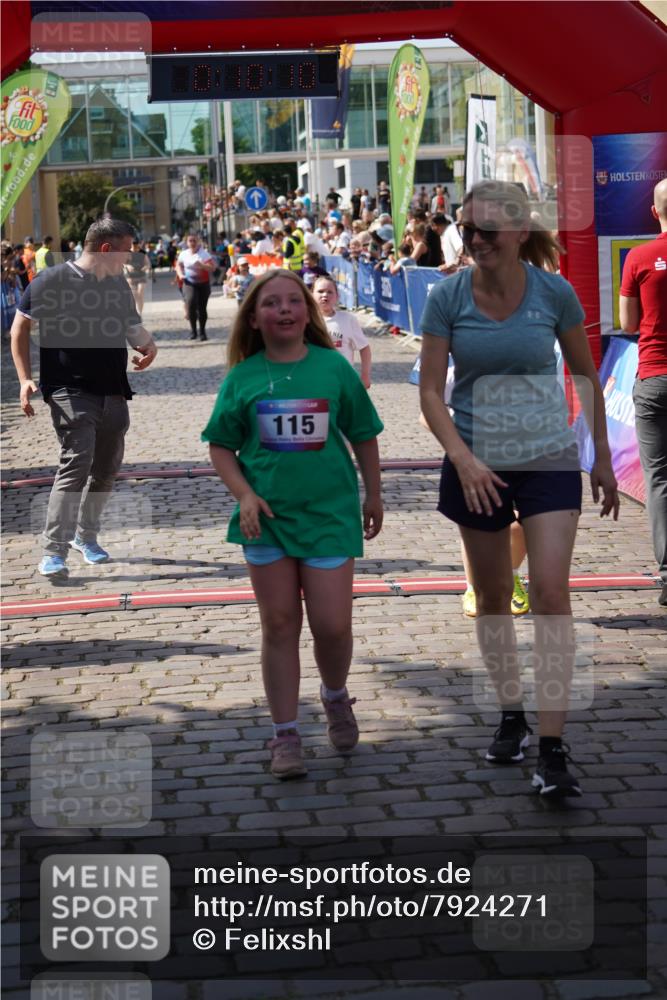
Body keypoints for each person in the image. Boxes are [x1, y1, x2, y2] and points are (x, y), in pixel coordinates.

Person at [419, 180, 619, 799]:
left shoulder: (553, 292)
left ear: (520, 231)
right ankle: (511, 712)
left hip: (548, 458)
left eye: (488, 229)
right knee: (493, 594)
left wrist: (602, 459)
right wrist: (464, 459)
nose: (475, 239)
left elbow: (585, 374)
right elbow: (430, 391)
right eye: (467, 228)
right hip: (474, 460)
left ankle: (553, 749)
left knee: (552, 590)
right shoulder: (447, 296)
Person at [202, 270, 383, 779]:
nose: (283, 310)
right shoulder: (242, 377)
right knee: (279, 625)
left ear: (308, 312)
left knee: (332, 626)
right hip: (269, 523)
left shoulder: (334, 368)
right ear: (254, 320)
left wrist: (375, 492)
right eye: (271, 304)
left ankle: (335, 695)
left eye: (292, 302)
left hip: (329, 515)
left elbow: (364, 433)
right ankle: (284, 733)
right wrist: (245, 495)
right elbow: (221, 446)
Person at [9, 217, 158, 579]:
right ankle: (53, 552)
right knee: (76, 464)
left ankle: (85, 537)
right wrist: (25, 379)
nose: (130, 259)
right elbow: (19, 328)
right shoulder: (51, 280)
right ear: (106, 249)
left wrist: (148, 344)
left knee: (106, 473)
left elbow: (129, 325)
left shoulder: (117, 285)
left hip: (114, 391)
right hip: (68, 391)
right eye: (126, 252)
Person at [619, 177, 667, 607]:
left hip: (653, 377)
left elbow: (628, 323)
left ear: (654, 212)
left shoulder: (638, 257)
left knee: (660, 478)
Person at [312, 275, 372, 388]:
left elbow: (364, 348)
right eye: (320, 291)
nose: (325, 295)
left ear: (337, 296)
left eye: (330, 292)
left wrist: (365, 375)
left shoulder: (348, 319)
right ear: (311, 295)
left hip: (343, 380)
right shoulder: (305, 321)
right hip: (314, 380)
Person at [175, 233, 216, 341]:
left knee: (202, 308)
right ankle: (193, 331)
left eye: (194, 241)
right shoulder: (184, 254)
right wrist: (180, 274)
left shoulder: (204, 254)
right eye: (190, 241)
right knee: (191, 303)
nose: (192, 243)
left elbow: (212, 268)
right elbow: (178, 265)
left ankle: (202, 332)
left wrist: (202, 265)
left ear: (198, 242)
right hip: (189, 283)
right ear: (187, 242)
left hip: (203, 284)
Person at [123, 237, 151, 317]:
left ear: (138, 244)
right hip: (130, 277)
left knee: (140, 293)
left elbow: (148, 263)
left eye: (135, 244)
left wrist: (146, 267)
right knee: (134, 295)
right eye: (132, 244)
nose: (134, 246)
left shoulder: (142, 252)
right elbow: (123, 262)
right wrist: (127, 266)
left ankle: (140, 313)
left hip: (141, 275)